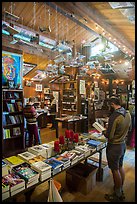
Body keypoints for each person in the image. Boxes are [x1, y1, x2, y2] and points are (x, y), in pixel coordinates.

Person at [104, 96, 131, 202]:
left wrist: (104, 131)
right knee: (120, 167)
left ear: (112, 104)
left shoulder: (114, 116)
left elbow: (109, 136)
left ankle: (117, 195)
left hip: (114, 146)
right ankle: (119, 189)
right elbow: (129, 127)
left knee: (114, 170)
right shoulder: (127, 113)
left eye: (109, 105)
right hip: (123, 144)